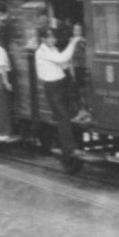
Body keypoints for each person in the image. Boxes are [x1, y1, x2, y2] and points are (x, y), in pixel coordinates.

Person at [35, 28, 85, 163]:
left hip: (60, 84)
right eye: (49, 37)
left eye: (53, 37)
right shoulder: (42, 52)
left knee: (66, 115)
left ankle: (69, 145)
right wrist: (73, 43)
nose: (52, 40)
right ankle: (68, 150)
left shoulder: (53, 50)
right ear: (43, 39)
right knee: (62, 117)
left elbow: (62, 64)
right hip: (52, 87)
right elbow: (62, 59)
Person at [69, 22, 92, 123]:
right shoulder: (71, 41)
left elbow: (88, 55)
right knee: (77, 92)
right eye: (75, 29)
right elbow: (70, 57)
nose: (77, 32)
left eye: (78, 30)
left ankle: (86, 111)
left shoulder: (84, 42)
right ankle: (80, 111)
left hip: (83, 68)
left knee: (84, 92)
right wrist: (71, 70)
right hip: (75, 68)